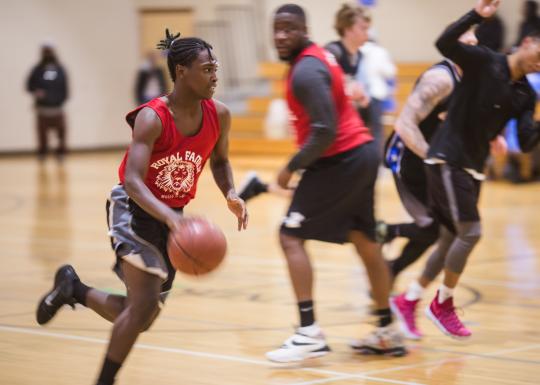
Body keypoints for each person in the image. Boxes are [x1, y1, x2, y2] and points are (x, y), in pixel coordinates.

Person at [34, 29, 248, 385]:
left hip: (173, 217)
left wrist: (231, 193)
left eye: (216, 68)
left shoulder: (219, 115)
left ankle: (74, 290)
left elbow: (221, 161)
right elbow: (133, 182)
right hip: (133, 210)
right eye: (207, 68)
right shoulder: (153, 117)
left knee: (142, 315)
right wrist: (168, 218)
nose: (215, 76)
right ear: (181, 71)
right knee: (144, 307)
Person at [391, 0, 540, 341]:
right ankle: (442, 304)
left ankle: (408, 298)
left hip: (472, 167)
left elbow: (529, 140)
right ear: (529, 42)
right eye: (539, 53)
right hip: (446, 158)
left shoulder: (525, 94)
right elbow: (444, 43)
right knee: (470, 232)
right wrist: (476, 16)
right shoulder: (485, 60)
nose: (539, 63)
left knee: (448, 240)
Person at [265, 4, 406, 363]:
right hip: (362, 153)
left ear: (304, 29)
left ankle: (308, 332)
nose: (281, 36)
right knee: (365, 240)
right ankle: (387, 328)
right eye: (276, 29)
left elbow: (324, 131)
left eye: (289, 29)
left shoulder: (306, 71)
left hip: (339, 158)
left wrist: (289, 169)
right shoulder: (320, 57)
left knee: (289, 235)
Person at [381, 28, 480, 305]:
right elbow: (403, 124)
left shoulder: (470, 78)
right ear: (453, 47)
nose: (473, 47)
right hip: (408, 156)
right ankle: (384, 234)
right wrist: (433, 158)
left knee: (440, 228)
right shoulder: (439, 79)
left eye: (476, 42)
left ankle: (390, 263)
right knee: (438, 228)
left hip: (432, 161)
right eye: (467, 42)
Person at [325, 4, 371, 122]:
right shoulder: (332, 52)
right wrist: (349, 91)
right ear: (348, 30)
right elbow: (323, 87)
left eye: (367, 29)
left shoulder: (359, 55)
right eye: (363, 28)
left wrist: (361, 96)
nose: (367, 34)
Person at [26, 42, 69, 160]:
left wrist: (59, 99)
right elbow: (29, 86)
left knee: (61, 133)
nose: (48, 53)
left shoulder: (60, 69)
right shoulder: (37, 69)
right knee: (42, 135)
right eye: (45, 51)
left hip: (57, 109)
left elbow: (65, 88)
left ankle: (61, 152)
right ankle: (42, 153)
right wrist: (36, 91)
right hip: (42, 109)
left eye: (49, 51)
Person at [358, 32, 396, 160]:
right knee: (377, 130)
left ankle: (360, 158)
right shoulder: (380, 52)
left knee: (359, 129)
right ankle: (377, 160)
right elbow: (390, 72)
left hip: (359, 96)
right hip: (376, 95)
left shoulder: (357, 49)